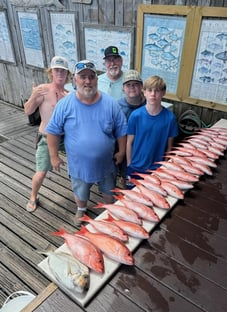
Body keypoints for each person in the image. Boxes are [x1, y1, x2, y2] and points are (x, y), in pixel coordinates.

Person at [45, 60, 127, 227]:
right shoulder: (64, 105)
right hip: (79, 165)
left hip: (107, 164)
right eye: (83, 77)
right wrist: (53, 156)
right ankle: (81, 209)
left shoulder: (110, 103)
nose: (87, 81)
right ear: (75, 80)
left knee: (109, 190)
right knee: (80, 192)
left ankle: (108, 209)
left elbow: (121, 129)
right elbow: (52, 131)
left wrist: (122, 151)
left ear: (97, 79)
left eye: (91, 77)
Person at [24, 56, 71, 212]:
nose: (60, 73)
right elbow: (28, 111)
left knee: (80, 161)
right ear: (51, 72)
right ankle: (33, 196)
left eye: (63, 71)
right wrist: (33, 95)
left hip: (66, 138)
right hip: (46, 137)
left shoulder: (69, 94)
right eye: (57, 70)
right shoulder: (42, 89)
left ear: (67, 74)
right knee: (41, 172)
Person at [126, 75, 179, 188]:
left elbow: (170, 147)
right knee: (131, 199)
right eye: (149, 90)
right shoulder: (135, 115)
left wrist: (164, 167)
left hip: (156, 170)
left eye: (157, 91)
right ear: (144, 92)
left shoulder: (170, 118)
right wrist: (129, 164)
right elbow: (129, 142)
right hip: (135, 167)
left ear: (163, 93)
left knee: (151, 201)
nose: (153, 94)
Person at [117, 69, 146, 186]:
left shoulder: (150, 105)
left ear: (141, 86)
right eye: (128, 85)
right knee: (126, 177)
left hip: (143, 150)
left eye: (135, 84)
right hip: (124, 150)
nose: (132, 87)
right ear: (123, 88)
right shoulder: (117, 106)